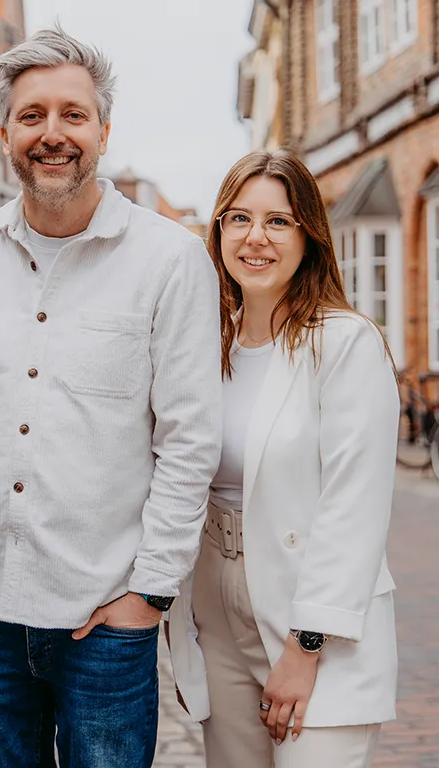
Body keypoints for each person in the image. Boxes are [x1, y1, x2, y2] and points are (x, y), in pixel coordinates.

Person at [0, 25, 222, 767]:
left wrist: (149, 592)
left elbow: (188, 437)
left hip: (106, 619)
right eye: (32, 114)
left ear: (104, 131)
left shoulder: (169, 259)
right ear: (7, 130)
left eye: (73, 114)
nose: (54, 133)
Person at [167, 149, 399, 768]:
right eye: (238, 219)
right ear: (217, 233)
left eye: (278, 221)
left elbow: (355, 504)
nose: (255, 238)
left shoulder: (346, 343)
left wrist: (306, 645)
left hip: (313, 610)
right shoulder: (204, 347)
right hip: (216, 601)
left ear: (308, 236)